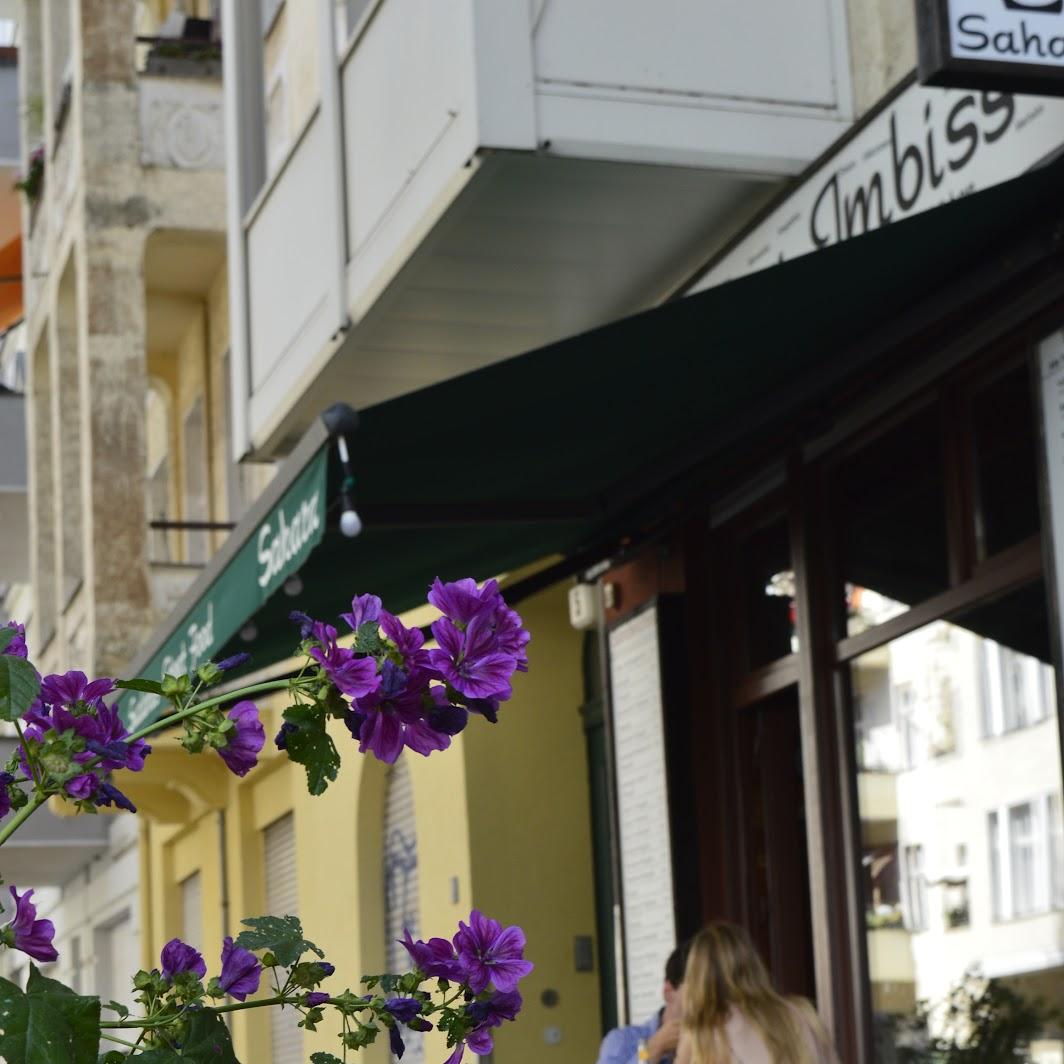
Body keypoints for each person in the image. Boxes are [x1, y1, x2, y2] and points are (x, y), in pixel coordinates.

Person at [675, 922, 839, 1064]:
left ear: (695, 979)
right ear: (753, 966)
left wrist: (654, 1049)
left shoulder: (700, 1035)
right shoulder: (802, 1014)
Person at [595, 944, 689, 1064]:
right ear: (668, 991)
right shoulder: (622, 1042)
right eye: (696, 993)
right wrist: (651, 1050)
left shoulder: (714, 1044)